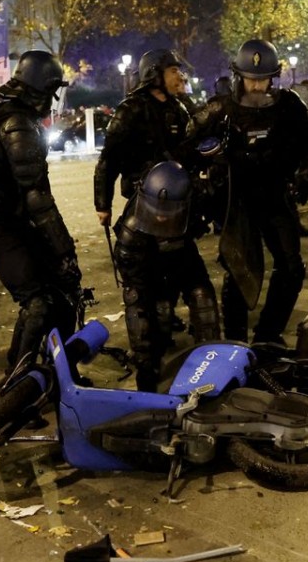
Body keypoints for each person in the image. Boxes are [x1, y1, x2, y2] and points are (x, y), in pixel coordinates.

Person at [94, 48, 221, 390]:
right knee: (145, 296)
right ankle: (148, 371)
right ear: (154, 74)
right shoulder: (131, 110)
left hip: (179, 209)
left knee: (183, 286)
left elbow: (194, 146)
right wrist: (102, 204)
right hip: (146, 209)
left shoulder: (180, 106)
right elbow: (108, 161)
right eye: (173, 70)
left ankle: (207, 360)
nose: (180, 76)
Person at [192, 39, 308, 344]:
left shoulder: (289, 105)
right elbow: (186, 149)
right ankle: (236, 341)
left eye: (262, 78)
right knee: (239, 272)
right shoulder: (220, 109)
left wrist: (302, 184)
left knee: (291, 269)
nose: (256, 85)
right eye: (251, 78)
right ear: (239, 76)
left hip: (276, 197)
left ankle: (268, 334)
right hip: (236, 202)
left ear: (273, 77)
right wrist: (206, 179)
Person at [0, 50, 83, 372]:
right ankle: (17, 386)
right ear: (40, 88)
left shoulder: (9, 109)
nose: (53, 98)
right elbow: (37, 199)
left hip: (8, 217)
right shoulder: (17, 122)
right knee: (38, 302)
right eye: (51, 90)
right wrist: (64, 249)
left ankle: (62, 376)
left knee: (63, 289)